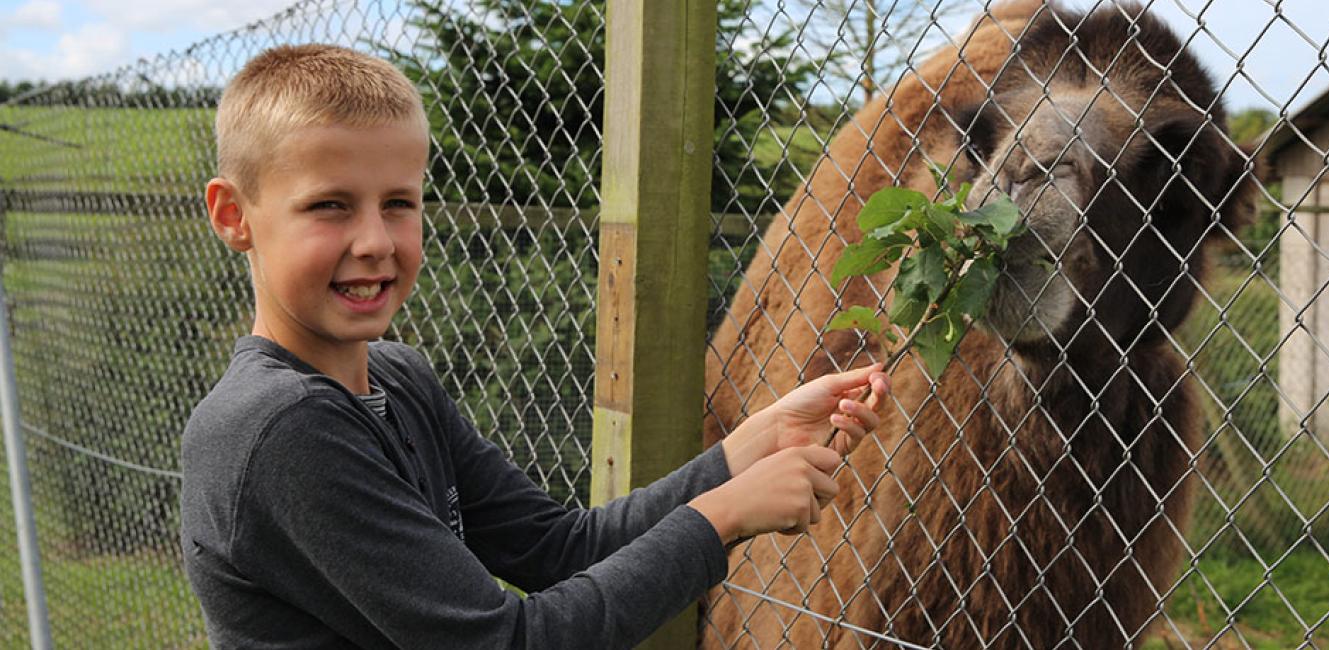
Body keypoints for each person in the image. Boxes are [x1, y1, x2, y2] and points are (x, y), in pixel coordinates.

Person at [179, 43, 891, 649]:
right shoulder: (281, 429)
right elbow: (511, 641)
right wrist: (726, 515)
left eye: (399, 203)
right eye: (329, 206)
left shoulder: (397, 379)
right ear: (233, 215)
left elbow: (562, 548)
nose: (374, 242)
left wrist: (749, 448)